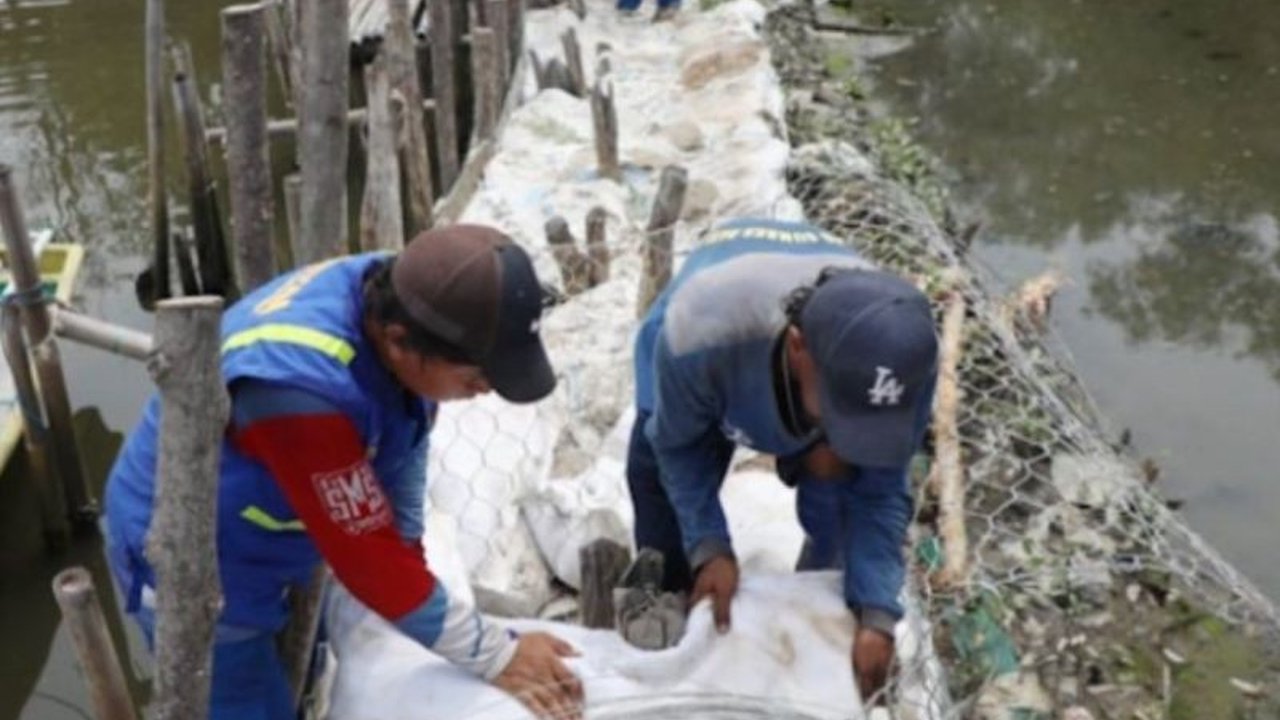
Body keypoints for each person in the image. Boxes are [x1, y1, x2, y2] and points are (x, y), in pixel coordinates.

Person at [104, 225, 584, 720]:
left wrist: (407, 549)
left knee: (316, 664)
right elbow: (365, 558)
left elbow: (410, 429)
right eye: (476, 378)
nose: (484, 391)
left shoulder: (411, 293)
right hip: (199, 556)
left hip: (278, 520)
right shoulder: (298, 391)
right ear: (399, 343)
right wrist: (497, 655)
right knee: (246, 702)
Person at [626, 217, 938, 701]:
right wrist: (708, 545)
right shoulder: (700, 332)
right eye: (839, 409)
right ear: (798, 348)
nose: (842, 431)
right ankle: (669, 634)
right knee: (657, 491)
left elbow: (881, 492)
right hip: (714, 357)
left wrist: (876, 611)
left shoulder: (905, 360)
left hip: (804, 373)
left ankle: (811, 618)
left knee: (839, 499)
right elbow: (677, 447)